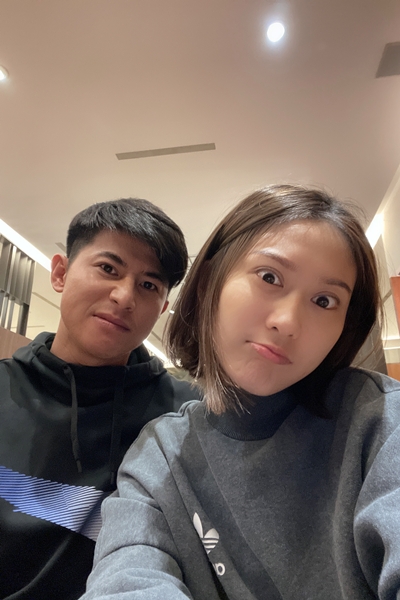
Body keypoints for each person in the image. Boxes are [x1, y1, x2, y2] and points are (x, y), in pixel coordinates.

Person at [81, 184, 400, 600]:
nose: (288, 321)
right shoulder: (159, 456)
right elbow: (127, 578)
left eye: (324, 301)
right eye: (269, 277)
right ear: (209, 280)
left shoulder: (380, 423)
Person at [0, 197, 201, 600]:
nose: (124, 296)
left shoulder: (186, 418)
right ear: (60, 272)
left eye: (148, 285)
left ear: (162, 307)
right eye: (108, 268)